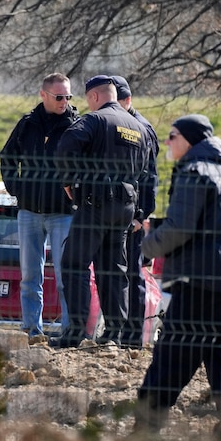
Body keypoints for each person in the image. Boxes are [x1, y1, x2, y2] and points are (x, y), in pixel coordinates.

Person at [135, 115, 221, 431]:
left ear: (187, 139)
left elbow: (180, 228)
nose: (168, 142)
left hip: (195, 281)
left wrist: (145, 247)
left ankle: (142, 434)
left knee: (171, 358)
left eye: (172, 136)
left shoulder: (194, 171)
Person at [52, 75, 150, 348]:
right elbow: (143, 168)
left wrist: (69, 181)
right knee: (114, 269)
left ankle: (75, 332)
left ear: (94, 97)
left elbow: (66, 145)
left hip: (95, 202)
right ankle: (114, 335)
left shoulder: (94, 120)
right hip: (125, 207)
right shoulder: (137, 126)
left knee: (75, 264)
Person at [0, 73, 79, 340]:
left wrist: (75, 194)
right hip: (29, 212)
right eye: (59, 97)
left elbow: (88, 165)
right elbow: (7, 156)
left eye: (68, 96)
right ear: (43, 95)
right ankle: (32, 331)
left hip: (63, 214)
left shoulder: (77, 125)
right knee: (30, 278)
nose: (64, 101)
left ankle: (70, 333)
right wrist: (17, 188)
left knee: (66, 276)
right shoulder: (27, 124)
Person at [111, 76, 160, 347]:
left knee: (132, 275)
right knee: (118, 274)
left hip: (133, 216)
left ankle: (132, 340)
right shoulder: (117, 123)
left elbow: (149, 177)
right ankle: (119, 336)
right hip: (118, 212)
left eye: (115, 102)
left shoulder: (141, 127)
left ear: (127, 101)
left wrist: (142, 215)